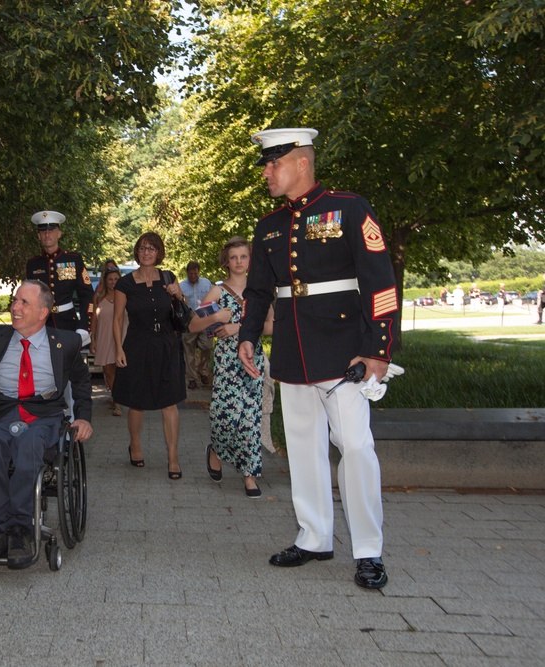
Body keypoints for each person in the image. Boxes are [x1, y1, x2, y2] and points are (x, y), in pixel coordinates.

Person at [238, 127, 400, 590]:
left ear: (302, 162)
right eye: (265, 165)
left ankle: (369, 550)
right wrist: (249, 336)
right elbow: (259, 291)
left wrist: (378, 349)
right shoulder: (269, 225)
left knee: (355, 448)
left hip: (345, 349)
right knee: (305, 451)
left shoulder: (349, 208)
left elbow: (380, 283)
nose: (267, 173)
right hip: (293, 349)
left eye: (274, 164)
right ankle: (314, 537)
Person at [0, 280, 93, 569]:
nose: (15, 307)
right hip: (2, 412)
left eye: (24, 302)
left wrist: (83, 416)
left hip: (44, 415)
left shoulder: (67, 343)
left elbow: (81, 381)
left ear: (43, 312)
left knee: (29, 444)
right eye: (15, 301)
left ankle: (21, 528)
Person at [112, 233, 228, 479]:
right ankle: (135, 445)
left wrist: (178, 294)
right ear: (137, 251)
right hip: (137, 345)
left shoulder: (168, 278)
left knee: (170, 402)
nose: (146, 252)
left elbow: (182, 310)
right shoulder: (125, 284)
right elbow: (117, 319)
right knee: (137, 402)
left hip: (167, 344)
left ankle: (173, 458)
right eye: (142, 248)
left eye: (152, 248)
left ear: (159, 253)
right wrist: (119, 348)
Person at [190, 237, 272, 498]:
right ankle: (215, 449)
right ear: (226, 261)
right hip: (226, 363)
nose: (238, 261)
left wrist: (240, 327)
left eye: (244, 256)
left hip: (252, 362)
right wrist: (216, 317)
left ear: (250, 260)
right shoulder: (217, 291)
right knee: (223, 418)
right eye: (234, 257)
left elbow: (272, 325)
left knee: (249, 420)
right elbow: (193, 325)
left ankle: (249, 476)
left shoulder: (259, 290)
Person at [25, 210, 94, 346]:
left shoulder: (73, 260)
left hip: (68, 325)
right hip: (40, 327)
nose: (47, 234)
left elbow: (87, 295)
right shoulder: (33, 264)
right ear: (38, 236)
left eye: (51, 230)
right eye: (43, 231)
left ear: (59, 233)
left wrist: (84, 325)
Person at [91, 267, 125, 416]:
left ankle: (120, 399)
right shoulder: (98, 297)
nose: (113, 282)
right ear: (105, 281)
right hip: (104, 337)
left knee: (121, 370)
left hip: (123, 337)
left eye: (116, 279)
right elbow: (94, 319)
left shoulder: (126, 296)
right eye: (110, 279)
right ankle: (116, 400)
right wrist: (92, 338)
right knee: (108, 370)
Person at [179, 260, 213, 389]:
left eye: (195, 273)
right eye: (191, 274)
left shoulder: (206, 283)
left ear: (199, 272)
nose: (193, 276)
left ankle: (202, 370)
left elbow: (212, 300)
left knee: (207, 346)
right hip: (189, 319)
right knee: (189, 350)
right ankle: (192, 378)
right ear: (187, 273)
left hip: (205, 317)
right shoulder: (182, 286)